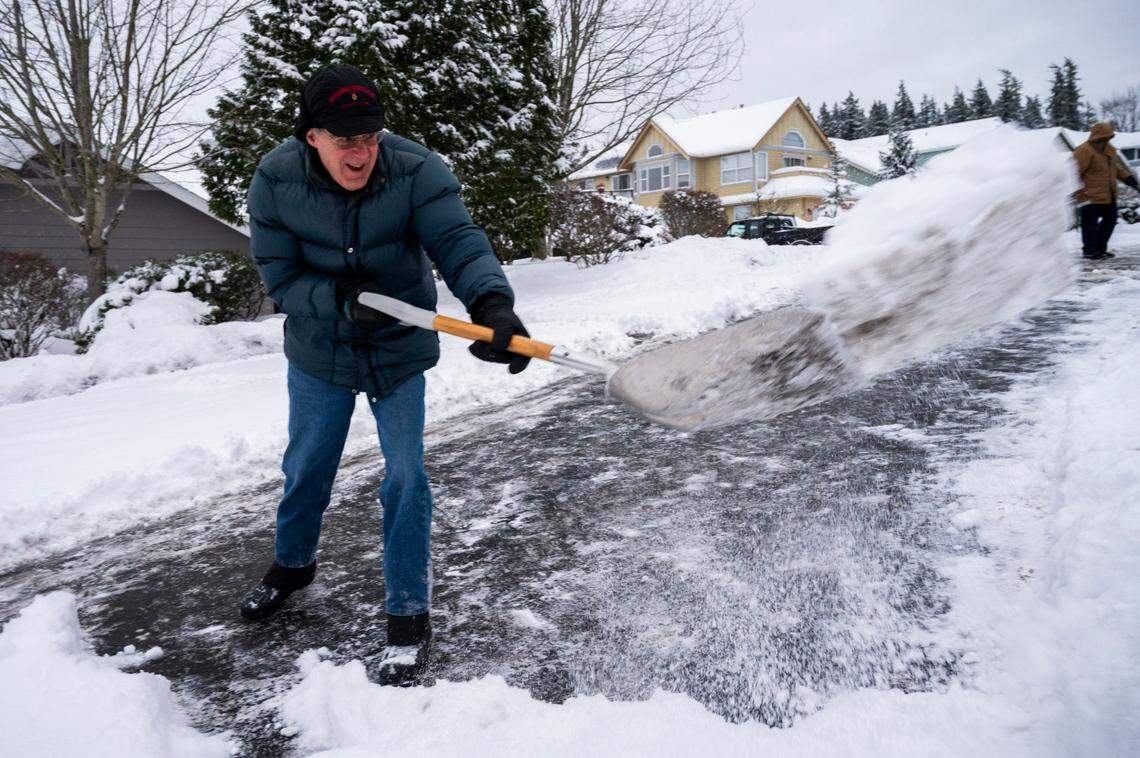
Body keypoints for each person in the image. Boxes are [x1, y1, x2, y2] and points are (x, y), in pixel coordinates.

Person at [238, 65, 531, 686]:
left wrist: (492, 305)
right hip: (321, 349)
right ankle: (292, 566)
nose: (362, 152)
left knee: (405, 476)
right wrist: (340, 299)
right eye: (346, 139)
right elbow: (281, 279)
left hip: (398, 348)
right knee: (308, 465)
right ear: (312, 136)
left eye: (370, 136)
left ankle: (407, 614)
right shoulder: (276, 178)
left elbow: (457, 239)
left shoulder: (416, 169)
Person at [1073, 122, 1139, 259]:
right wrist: (1076, 192)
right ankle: (1089, 250)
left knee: (1110, 220)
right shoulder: (1084, 150)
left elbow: (1119, 170)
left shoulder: (1111, 150)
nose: (1105, 140)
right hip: (1088, 195)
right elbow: (1073, 172)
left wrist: (1133, 183)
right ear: (1095, 137)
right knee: (1089, 224)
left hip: (1109, 194)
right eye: (1102, 138)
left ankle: (1100, 248)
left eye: (1108, 138)